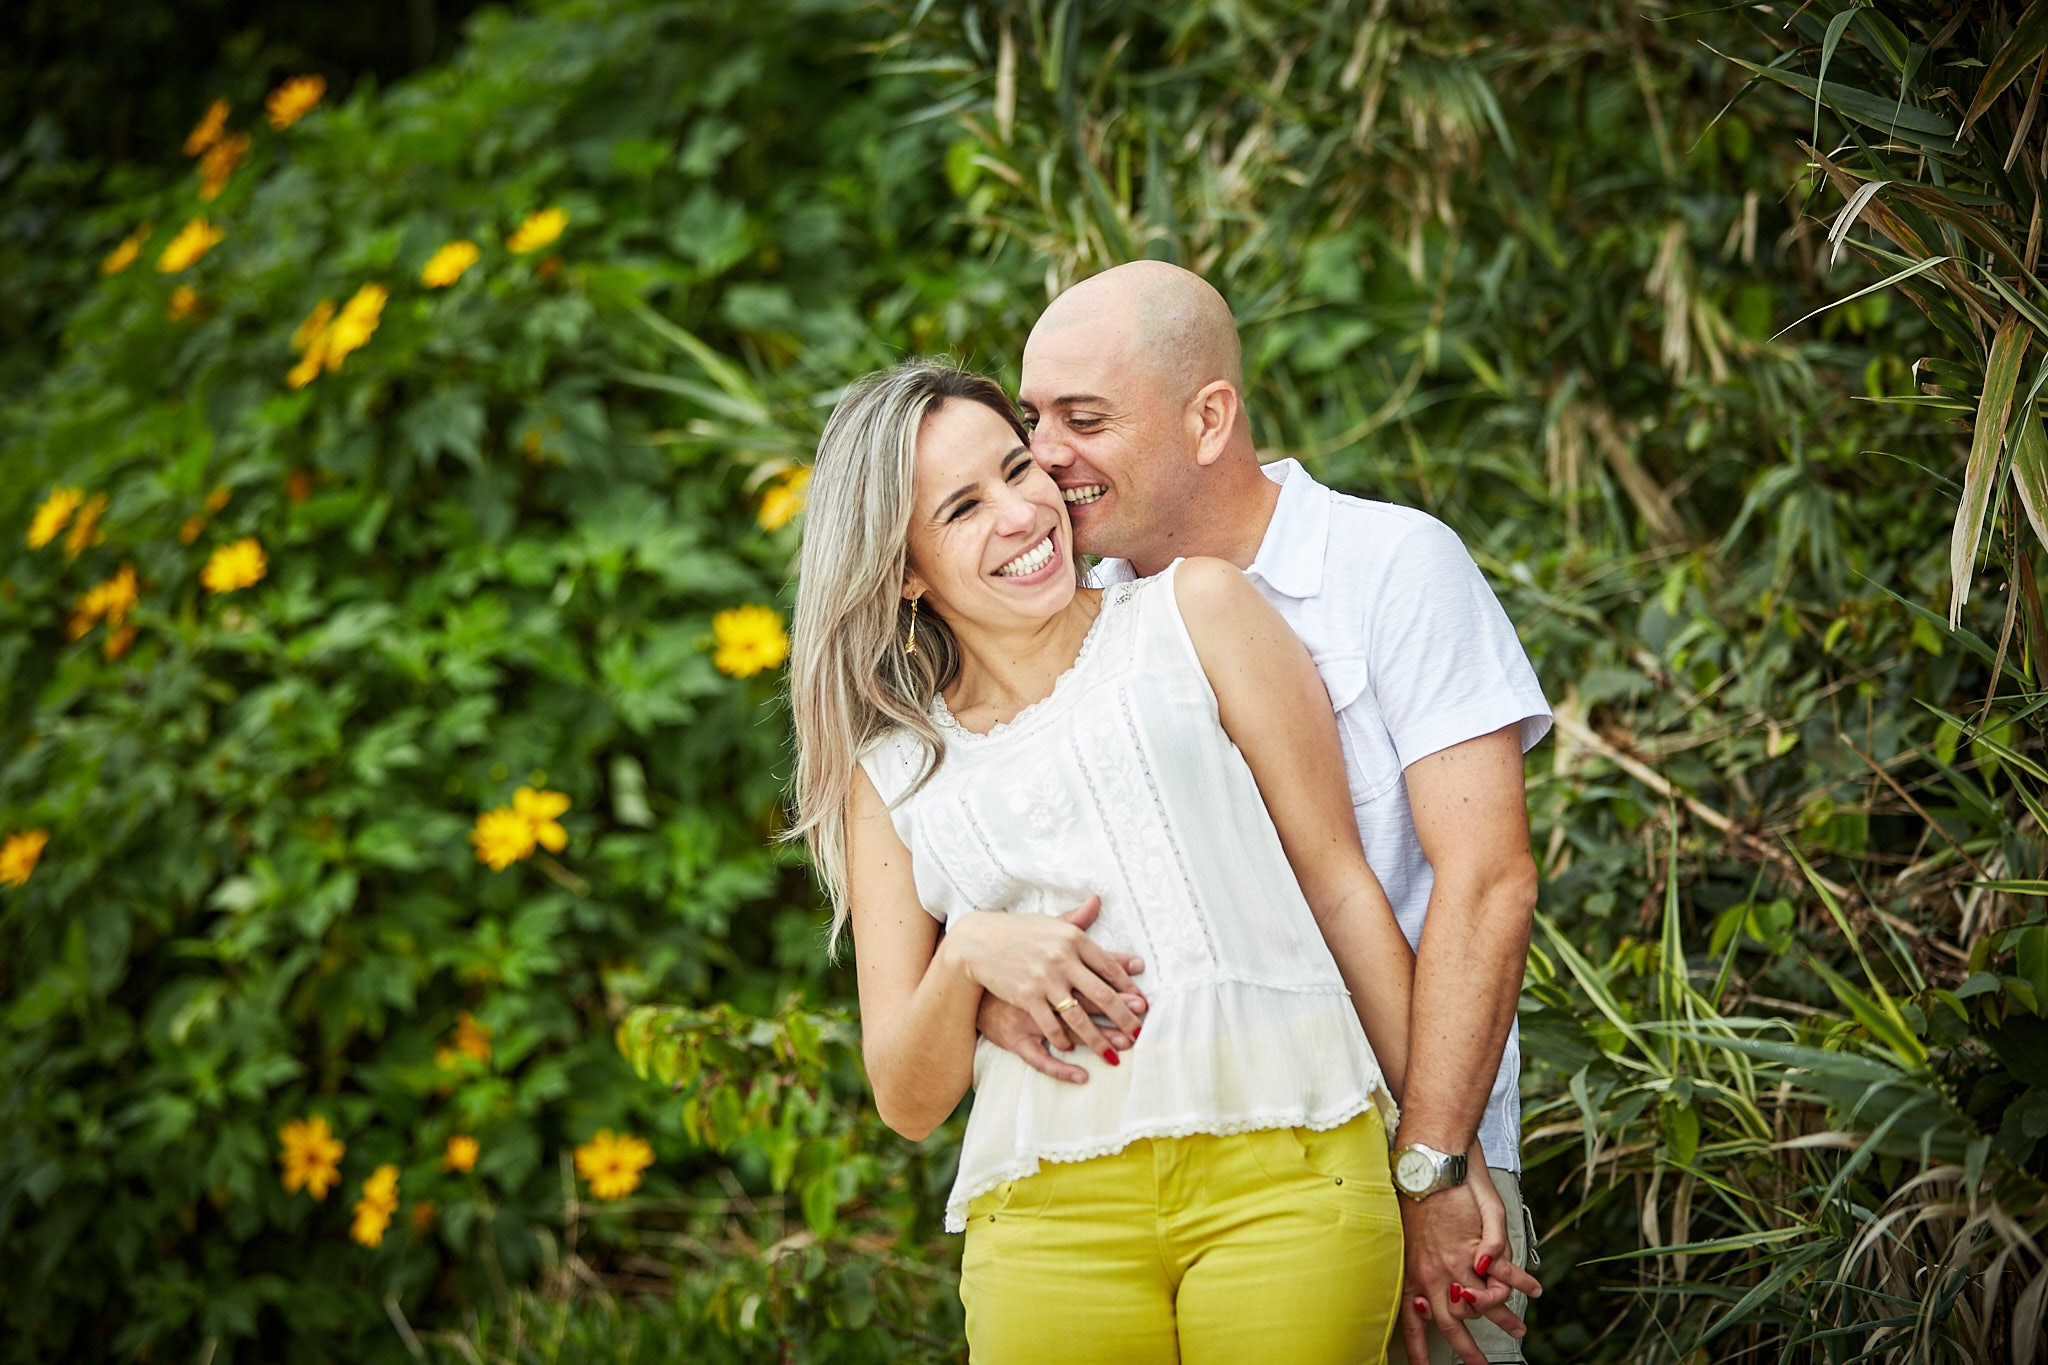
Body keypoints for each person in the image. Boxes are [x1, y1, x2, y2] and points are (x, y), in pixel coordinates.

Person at [789, 360, 1449, 1362]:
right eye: (964, 507)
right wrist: (966, 958)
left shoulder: (1197, 614)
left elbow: (1338, 887)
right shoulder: (888, 774)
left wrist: (1439, 1163)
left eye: (1018, 469)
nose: (1022, 513)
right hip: (1044, 1217)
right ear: (903, 572)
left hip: (1289, 1169)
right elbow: (906, 1098)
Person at [982, 260, 1552, 1365]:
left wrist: (1429, 1165)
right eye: (1031, 417)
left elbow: (1487, 883)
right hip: (1180, 1167)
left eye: (1083, 418)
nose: (1043, 456)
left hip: (1415, 1145)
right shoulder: (1064, 622)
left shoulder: (1387, 566)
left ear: (1208, 418)